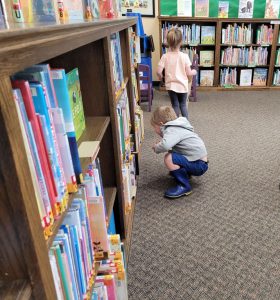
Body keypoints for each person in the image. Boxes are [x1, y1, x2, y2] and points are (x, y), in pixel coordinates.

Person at [151, 106, 208, 199]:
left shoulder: (171, 129)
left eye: (154, 127)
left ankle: (184, 186)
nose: (154, 130)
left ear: (161, 124)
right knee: (173, 153)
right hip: (200, 161)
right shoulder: (179, 126)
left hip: (199, 165)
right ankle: (185, 173)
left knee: (168, 158)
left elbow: (165, 145)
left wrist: (156, 147)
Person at [157, 28, 197, 119]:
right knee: (183, 105)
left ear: (167, 42)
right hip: (182, 86)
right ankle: (185, 124)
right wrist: (194, 71)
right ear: (181, 42)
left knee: (175, 105)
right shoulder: (184, 56)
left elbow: (158, 71)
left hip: (171, 86)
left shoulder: (165, 56)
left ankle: (175, 123)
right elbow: (189, 73)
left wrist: (160, 77)